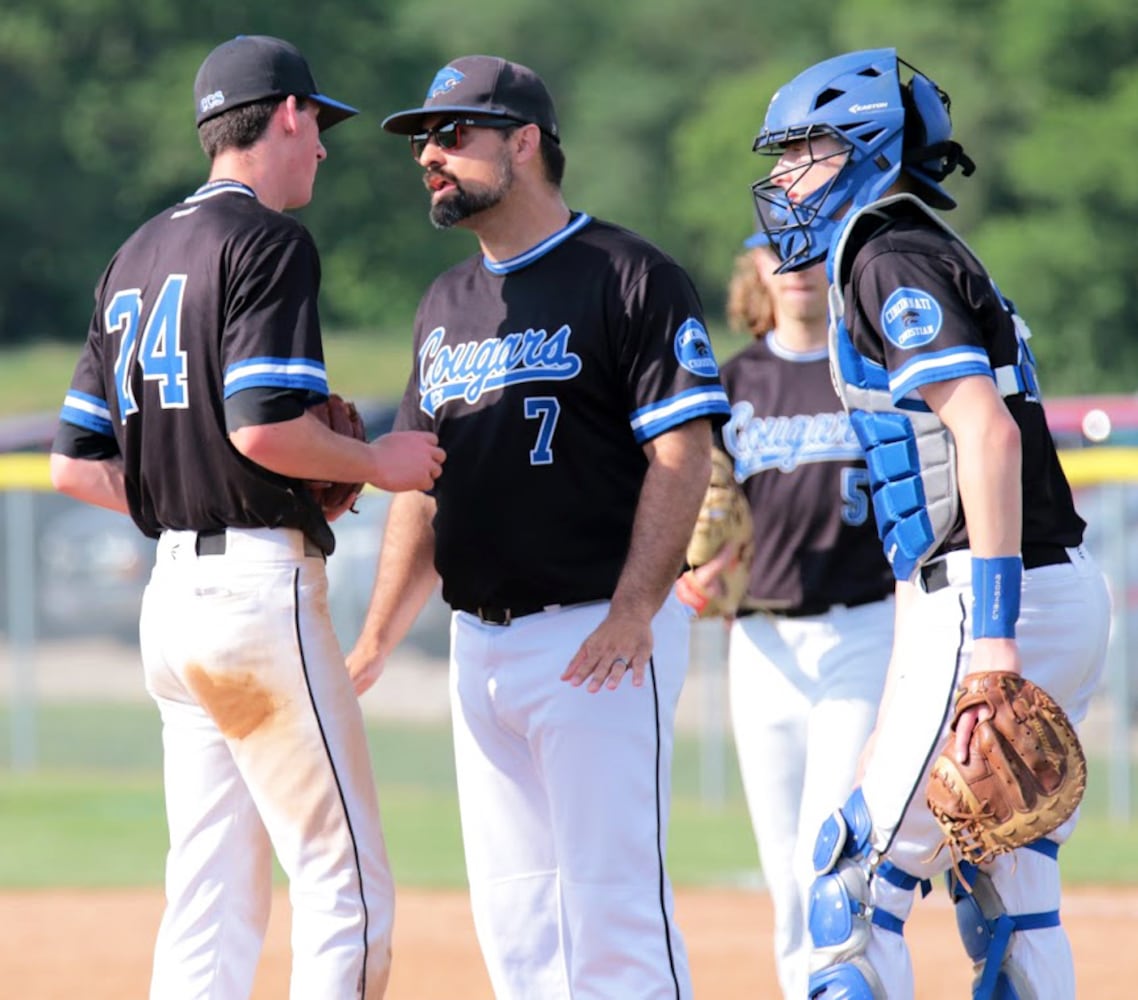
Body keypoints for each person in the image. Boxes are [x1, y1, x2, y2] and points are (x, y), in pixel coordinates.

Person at [50, 34, 445, 1000]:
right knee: (341, 880)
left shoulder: (132, 254)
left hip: (174, 603)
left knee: (210, 890)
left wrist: (181, 491)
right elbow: (267, 432)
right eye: (318, 126)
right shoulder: (267, 241)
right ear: (285, 115)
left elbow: (73, 464)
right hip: (255, 601)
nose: (321, 148)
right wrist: (377, 463)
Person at [346, 55, 731, 999]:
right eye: (423, 141)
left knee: (613, 914)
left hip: (597, 634)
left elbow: (683, 455)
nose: (428, 156)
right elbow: (421, 488)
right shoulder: (443, 304)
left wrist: (636, 608)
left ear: (523, 142)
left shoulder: (629, 275)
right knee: (517, 924)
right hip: (480, 644)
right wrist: (374, 640)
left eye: (451, 135)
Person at [748, 47, 1111, 999]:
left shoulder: (887, 253)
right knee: (1007, 892)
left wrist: (988, 638)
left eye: (802, 153)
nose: (782, 179)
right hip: (1034, 589)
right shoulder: (915, 250)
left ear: (865, 148)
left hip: (998, 598)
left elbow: (983, 437)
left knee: (852, 891)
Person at [681, 237, 894, 998]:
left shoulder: (867, 374)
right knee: (785, 878)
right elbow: (703, 517)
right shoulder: (730, 383)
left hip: (863, 632)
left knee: (827, 856)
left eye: (811, 256)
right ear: (755, 274)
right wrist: (694, 574)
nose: (796, 270)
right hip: (760, 643)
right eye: (779, 253)